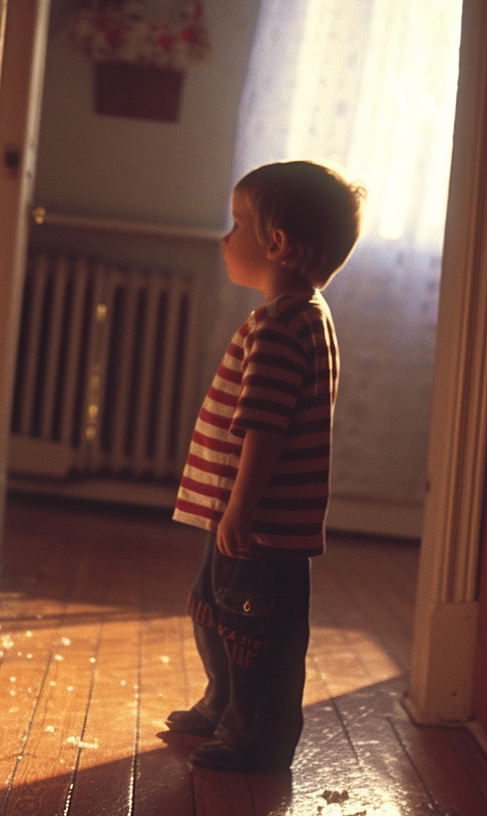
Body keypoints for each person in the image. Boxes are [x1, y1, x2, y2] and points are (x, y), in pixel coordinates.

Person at [167, 161, 363, 773]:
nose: (226, 238)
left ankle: (258, 734)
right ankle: (223, 703)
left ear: (276, 243)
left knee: (253, 634)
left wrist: (240, 509)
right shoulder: (305, 316)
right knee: (215, 609)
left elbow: (265, 428)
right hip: (248, 519)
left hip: (257, 523)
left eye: (237, 224)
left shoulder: (281, 326)